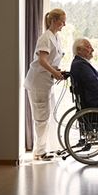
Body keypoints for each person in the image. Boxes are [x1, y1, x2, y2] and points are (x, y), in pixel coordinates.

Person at [24, 9, 67, 160]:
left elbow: (51, 60)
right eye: (62, 21)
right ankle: (39, 152)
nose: (64, 24)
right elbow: (42, 60)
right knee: (41, 117)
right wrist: (55, 73)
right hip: (38, 83)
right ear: (54, 21)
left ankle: (48, 147)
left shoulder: (56, 37)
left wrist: (57, 70)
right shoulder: (45, 38)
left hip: (46, 81)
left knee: (48, 115)